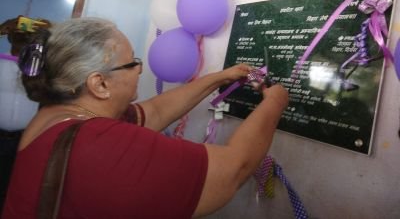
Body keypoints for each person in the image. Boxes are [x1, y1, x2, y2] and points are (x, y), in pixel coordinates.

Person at [2, 17, 288, 219]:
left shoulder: (58, 115)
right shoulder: (97, 145)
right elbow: (235, 169)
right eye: (132, 62)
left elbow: (155, 111)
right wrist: (275, 102)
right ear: (99, 84)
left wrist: (220, 77)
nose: (140, 69)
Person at [0, 16, 52, 214]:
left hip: (26, 139)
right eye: (19, 36)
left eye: (28, 37)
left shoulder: (40, 71)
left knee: (15, 189)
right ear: (10, 38)